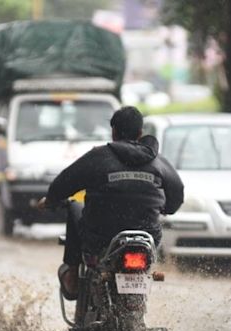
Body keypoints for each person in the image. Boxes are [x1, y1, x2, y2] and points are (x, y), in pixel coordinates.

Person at [37, 106, 184, 300]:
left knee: (73, 205)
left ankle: (72, 276)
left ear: (113, 131)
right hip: (147, 238)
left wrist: (50, 201)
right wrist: (167, 209)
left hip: (102, 237)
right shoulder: (158, 161)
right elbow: (177, 194)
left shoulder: (98, 156)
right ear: (140, 132)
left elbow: (62, 184)